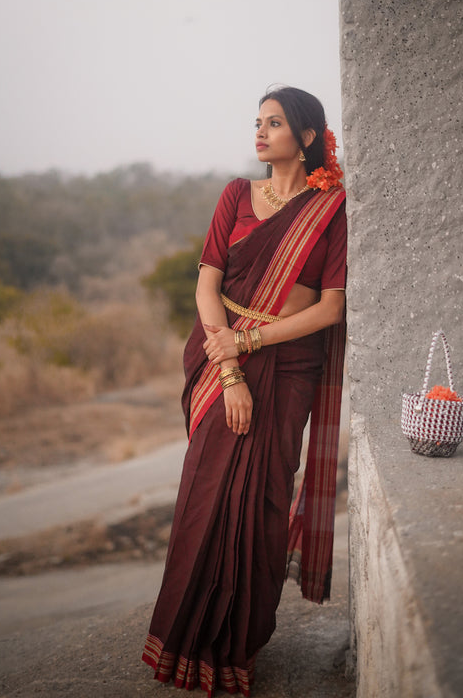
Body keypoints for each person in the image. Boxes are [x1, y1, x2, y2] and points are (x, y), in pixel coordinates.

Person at [142, 85, 347, 696]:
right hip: (220, 360)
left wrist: (251, 345)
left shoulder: (330, 209)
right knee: (205, 500)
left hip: (287, 375)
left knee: (261, 511)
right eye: (257, 122)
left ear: (307, 136)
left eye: (275, 123)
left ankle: (237, 650)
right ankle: (182, 643)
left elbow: (331, 308)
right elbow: (207, 287)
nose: (259, 133)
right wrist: (229, 367)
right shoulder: (236, 195)